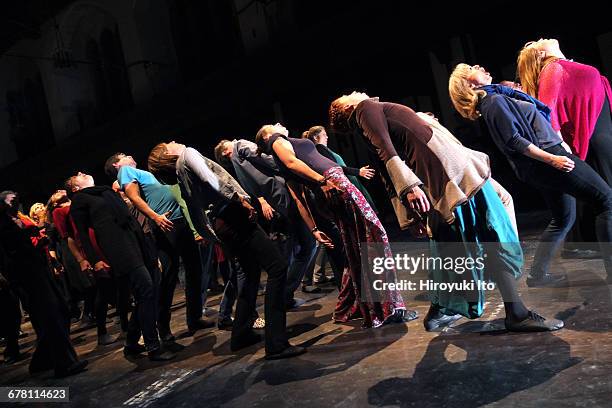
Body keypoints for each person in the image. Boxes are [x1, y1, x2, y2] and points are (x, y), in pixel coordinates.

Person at [328, 91, 562, 332]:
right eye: (345, 96)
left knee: (453, 246)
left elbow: (388, 162)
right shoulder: (364, 110)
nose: (351, 92)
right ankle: (517, 313)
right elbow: (385, 150)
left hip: (451, 177)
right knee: (488, 235)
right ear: (346, 109)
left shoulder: (376, 113)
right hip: (452, 178)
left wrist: (409, 214)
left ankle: (441, 311)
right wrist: (409, 188)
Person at [449, 63, 612, 287]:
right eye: (472, 67)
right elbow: (514, 141)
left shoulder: (499, 97)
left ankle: (537, 275)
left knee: (563, 219)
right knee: (607, 201)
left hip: (545, 161)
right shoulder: (493, 102)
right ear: (468, 83)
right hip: (548, 160)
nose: (480, 67)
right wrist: (552, 159)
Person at [148, 141, 306, 360]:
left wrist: (213, 236)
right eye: (168, 144)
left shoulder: (180, 174)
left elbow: (195, 212)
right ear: (167, 153)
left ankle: (241, 334)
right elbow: (210, 178)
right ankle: (276, 343)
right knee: (277, 267)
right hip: (234, 215)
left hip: (223, 223)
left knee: (250, 274)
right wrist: (238, 199)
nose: (174, 142)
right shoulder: (188, 153)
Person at [255, 123, 413, 328]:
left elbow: (299, 198)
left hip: (331, 187)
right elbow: (293, 165)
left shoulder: (282, 152)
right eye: (273, 126)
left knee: (357, 245)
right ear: (267, 136)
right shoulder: (277, 140)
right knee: (375, 236)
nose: (279, 125)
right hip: (334, 182)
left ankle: (367, 306)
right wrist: (323, 181)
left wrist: (314, 229)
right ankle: (388, 308)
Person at [66, 172, 175, 361]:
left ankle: (132, 343)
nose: (81, 172)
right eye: (77, 176)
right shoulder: (79, 201)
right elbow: (82, 235)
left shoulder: (106, 191)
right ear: (75, 188)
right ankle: (152, 345)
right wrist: (93, 260)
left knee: (147, 292)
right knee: (146, 289)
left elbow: (129, 216)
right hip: (118, 247)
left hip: (136, 240)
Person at [518, 38, 612, 256]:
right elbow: (548, 112)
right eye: (538, 42)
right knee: (606, 200)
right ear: (540, 55)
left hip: (602, 133)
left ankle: (584, 242)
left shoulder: (560, 67)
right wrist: (559, 147)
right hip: (596, 139)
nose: (542, 38)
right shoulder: (553, 69)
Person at [105, 153, 212, 345]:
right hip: (165, 224)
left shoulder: (145, 172)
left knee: (195, 270)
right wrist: (155, 217)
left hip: (180, 223)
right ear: (116, 164)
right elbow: (133, 196)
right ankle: (164, 327)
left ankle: (194, 318)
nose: (130, 155)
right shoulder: (126, 171)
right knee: (169, 277)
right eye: (123, 155)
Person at [215, 138, 319, 301]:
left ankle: (283, 293)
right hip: (284, 194)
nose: (233, 140)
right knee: (308, 245)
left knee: (292, 248)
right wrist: (286, 160)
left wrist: (264, 200)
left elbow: (251, 188)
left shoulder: (238, 165)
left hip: (278, 201)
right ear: (225, 152)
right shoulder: (240, 146)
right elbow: (265, 158)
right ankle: (284, 293)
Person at [0, 195, 88, 377]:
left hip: (40, 267)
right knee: (52, 315)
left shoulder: (18, 218)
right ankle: (65, 364)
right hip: (27, 274)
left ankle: (42, 361)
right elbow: (13, 250)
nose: (15, 200)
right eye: (10, 200)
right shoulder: (4, 225)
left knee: (58, 312)